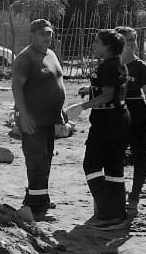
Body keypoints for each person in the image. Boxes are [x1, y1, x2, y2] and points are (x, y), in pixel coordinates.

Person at [67, 30, 130, 230]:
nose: (93, 45)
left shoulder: (109, 66)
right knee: (113, 168)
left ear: (108, 46)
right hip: (119, 118)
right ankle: (118, 214)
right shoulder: (117, 63)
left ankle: (107, 213)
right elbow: (108, 88)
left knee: (91, 165)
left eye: (97, 42)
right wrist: (90, 89)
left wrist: (82, 107)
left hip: (107, 121)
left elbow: (108, 94)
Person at [12, 19, 67, 221]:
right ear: (32, 34)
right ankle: (36, 208)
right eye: (43, 33)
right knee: (36, 160)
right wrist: (23, 115)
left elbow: (57, 82)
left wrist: (61, 110)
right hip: (33, 119)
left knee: (46, 159)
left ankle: (39, 196)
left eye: (50, 33)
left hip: (49, 118)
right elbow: (17, 87)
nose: (47, 37)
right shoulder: (26, 58)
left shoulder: (50, 54)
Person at [114, 26, 146, 211]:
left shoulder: (140, 67)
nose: (130, 43)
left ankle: (135, 194)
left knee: (139, 154)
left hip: (138, 113)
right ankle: (117, 191)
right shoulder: (111, 65)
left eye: (133, 40)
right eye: (126, 40)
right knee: (115, 154)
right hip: (116, 114)